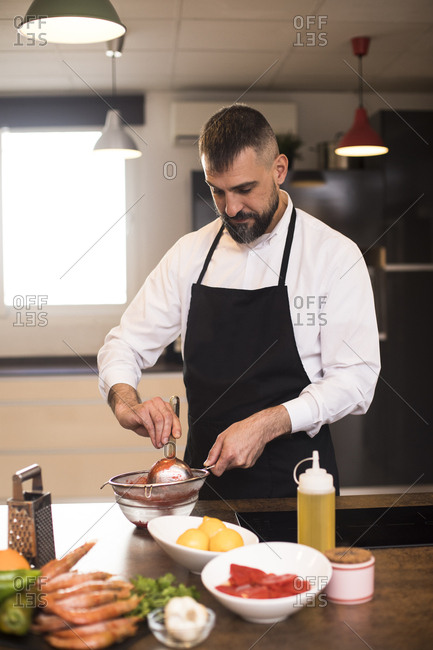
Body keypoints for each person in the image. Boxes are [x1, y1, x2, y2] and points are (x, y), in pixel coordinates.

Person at [97, 104, 380, 499]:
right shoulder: (189, 254)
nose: (231, 208)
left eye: (245, 189)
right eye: (218, 191)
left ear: (279, 170)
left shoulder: (333, 255)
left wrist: (267, 423)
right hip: (204, 486)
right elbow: (123, 345)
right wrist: (125, 400)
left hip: (298, 486)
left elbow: (356, 379)